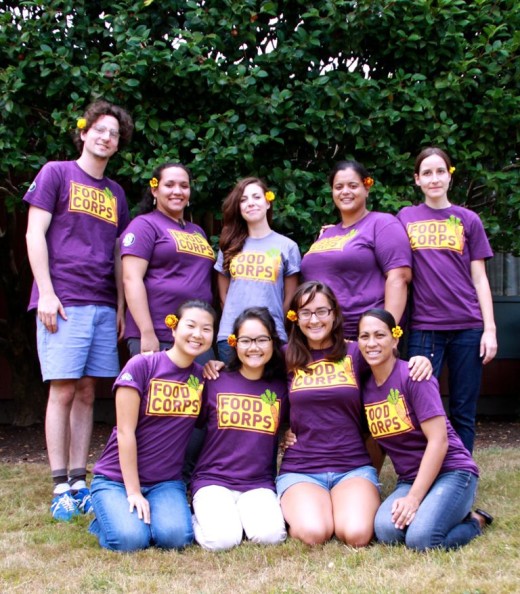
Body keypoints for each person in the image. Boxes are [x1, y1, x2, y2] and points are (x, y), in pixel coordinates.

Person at [24, 99, 133, 521]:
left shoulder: (117, 193)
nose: (107, 137)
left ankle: (79, 479)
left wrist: (121, 306)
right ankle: (59, 487)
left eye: (115, 134)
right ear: (84, 132)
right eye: (100, 130)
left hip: (103, 302)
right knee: (63, 389)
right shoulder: (56, 172)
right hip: (63, 300)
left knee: (88, 391)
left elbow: (120, 256)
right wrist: (47, 293)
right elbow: (35, 233)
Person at [357, 308, 493, 551]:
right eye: (364, 336)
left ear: (395, 338)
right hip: (410, 477)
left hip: (452, 472)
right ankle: (433, 510)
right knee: (386, 531)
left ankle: (475, 521)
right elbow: (376, 443)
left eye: (379, 335)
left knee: (422, 540)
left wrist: (413, 499)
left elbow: (439, 441)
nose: (371, 343)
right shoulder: (366, 387)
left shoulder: (414, 375)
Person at [89, 300, 216, 552]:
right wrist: (134, 491)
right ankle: (105, 513)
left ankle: (132, 515)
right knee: (130, 540)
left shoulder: (202, 377)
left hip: (165, 481)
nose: (197, 334)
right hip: (117, 478)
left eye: (206, 329)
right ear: (173, 328)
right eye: (190, 325)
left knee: (175, 538)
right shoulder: (142, 366)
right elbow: (125, 432)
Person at [397, 147, 497, 453]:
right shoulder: (405, 218)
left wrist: (489, 330)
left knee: (464, 410)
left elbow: (479, 278)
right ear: (417, 180)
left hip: (468, 327)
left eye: (440, 171)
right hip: (425, 329)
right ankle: (421, 472)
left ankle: (461, 474)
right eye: (426, 173)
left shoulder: (468, 219)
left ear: (449, 176)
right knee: (419, 405)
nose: (434, 178)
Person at [191, 307, 288, 551]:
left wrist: (289, 434)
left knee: (271, 536)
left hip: (258, 483)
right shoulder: (214, 380)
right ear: (234, 343)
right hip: (214, 480)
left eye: (261, 340)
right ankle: (200, 517)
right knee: (222, 541)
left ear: (273, 342)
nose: (253, 347)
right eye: (245, 340)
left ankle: (237, 517)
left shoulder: (281, 388)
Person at [300, 160, 412, 339]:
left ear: (366, 188)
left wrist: (389, 333)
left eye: (353, 185)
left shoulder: (382, 223)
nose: (345, 191)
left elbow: (399, 278)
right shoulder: (327, 233)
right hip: (321, 335)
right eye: (339, 187)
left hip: (364, 337)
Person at [120, 162, 214, 358]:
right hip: (159, 332)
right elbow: (131, 279)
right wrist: (147, 332)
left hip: (196, 335)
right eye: (169, 185)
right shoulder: (144, 225)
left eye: (184, 186)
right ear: (155, 190)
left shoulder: (198, 231)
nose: (177, 191)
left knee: (198, 389)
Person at [215, 177, 301, 363]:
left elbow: (290, 298)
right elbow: (223, 294)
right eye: (243, 200)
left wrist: (275, 322)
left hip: (272, 334)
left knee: (270, 392)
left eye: (256, 197)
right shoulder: (229, 245)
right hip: (231, 334)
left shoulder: (287, 246)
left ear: (267, 202)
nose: (250, 203)